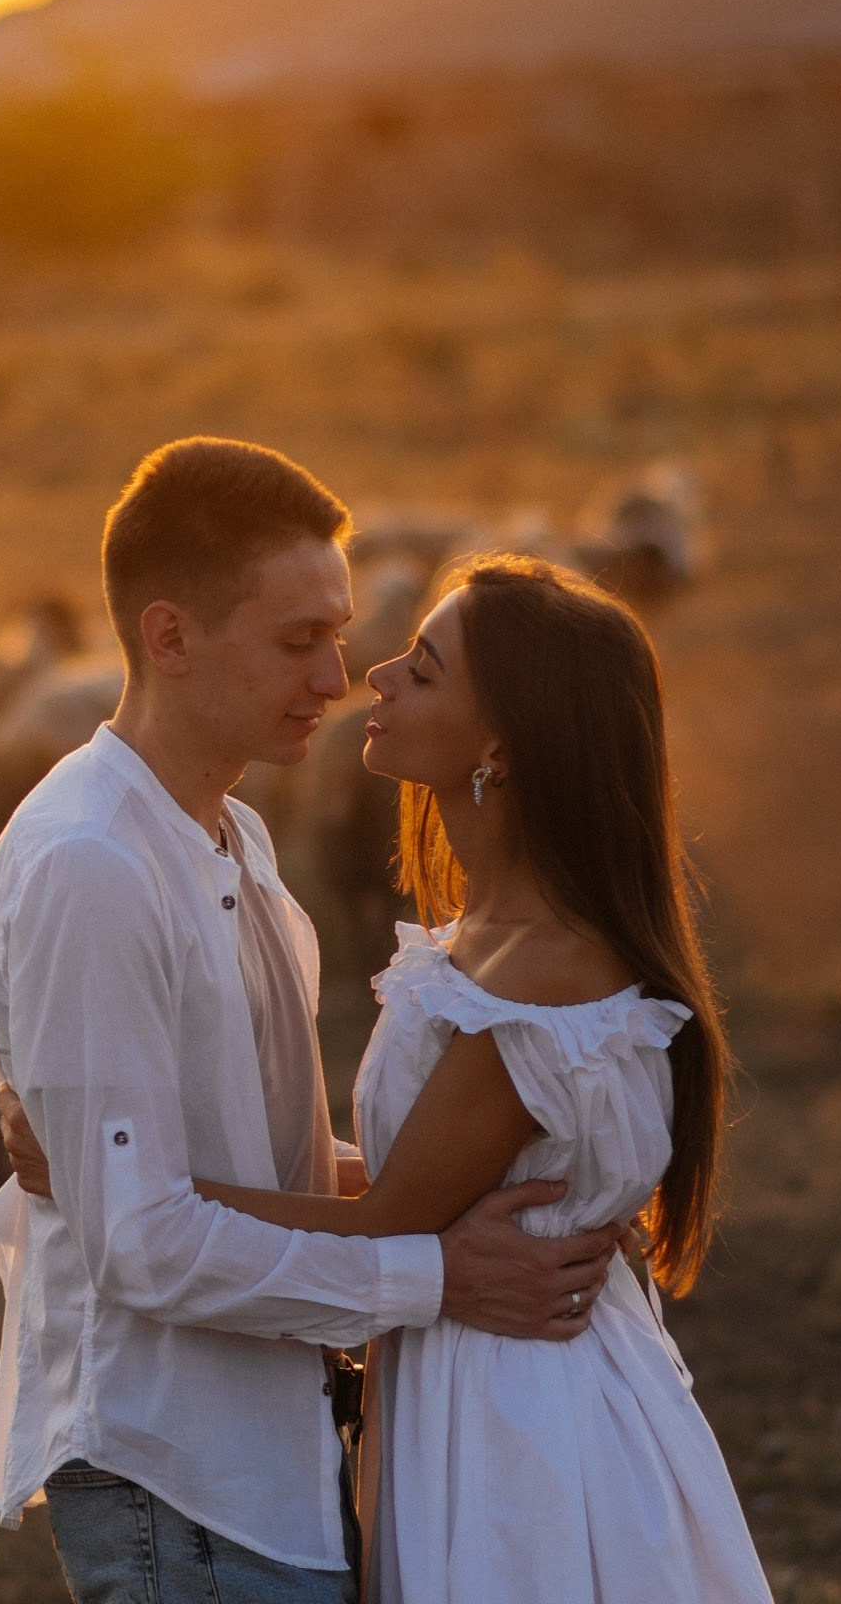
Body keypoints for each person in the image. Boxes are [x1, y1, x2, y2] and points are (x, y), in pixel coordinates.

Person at [0, 438, 629, 1604]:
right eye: (296, 640)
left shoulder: (230, 835)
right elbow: (143, 1242)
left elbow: (239, 1164)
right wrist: (440, 1277)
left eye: (337, 632)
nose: (339, 675)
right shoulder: (92, 865)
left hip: (265, 1466)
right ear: (168, 637)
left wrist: (504, 1205)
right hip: (181, 1480)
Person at [187, 554, 772, 1601]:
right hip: (483, 1379)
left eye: (422, 667)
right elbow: (424, 1186)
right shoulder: (491, 946)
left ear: (499, 739)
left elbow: (386, 1227)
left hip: (517, 1419)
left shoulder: (539, 971)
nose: (376, 677)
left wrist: (128, 1185)